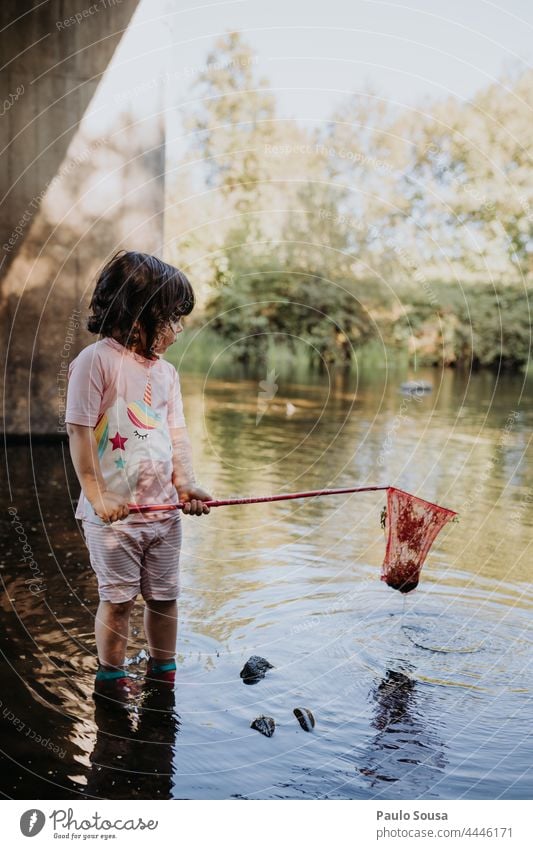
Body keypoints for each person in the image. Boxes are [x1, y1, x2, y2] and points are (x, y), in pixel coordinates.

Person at [65, 250, 212, 704]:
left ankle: (162, 671)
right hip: (115, 519)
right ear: (136, 316)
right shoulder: (96, 362)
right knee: (119, 599)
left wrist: (185, 483)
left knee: (165, 596)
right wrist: (98, 494)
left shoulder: (166, 373)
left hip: (163, 512)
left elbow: (177, 434)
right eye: (171, 318)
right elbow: (80, 431)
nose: (179, 329)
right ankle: (111, 677)